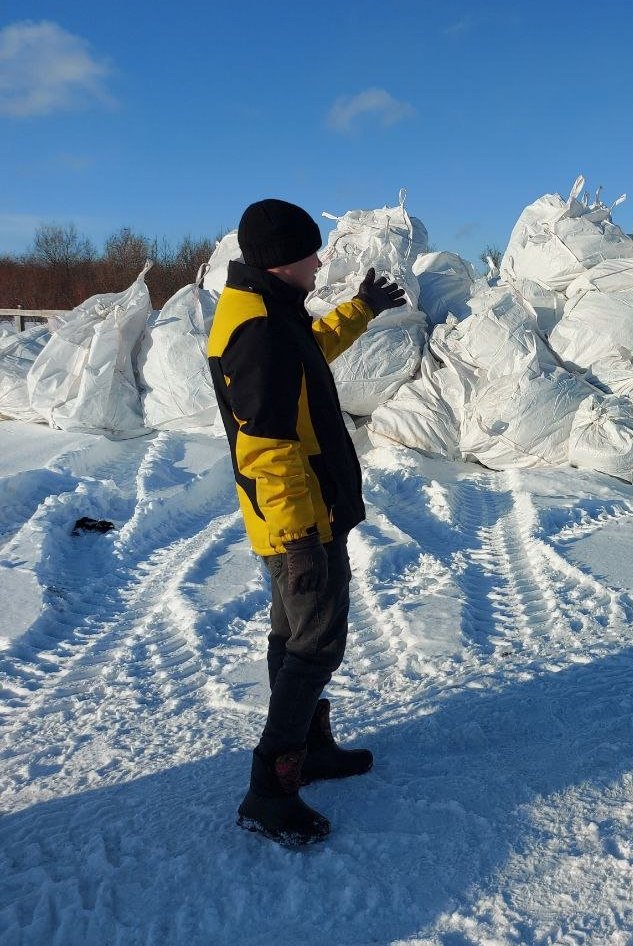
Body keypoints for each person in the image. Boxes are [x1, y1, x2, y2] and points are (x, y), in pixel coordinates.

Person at [207, 198, 405, 845]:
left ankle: (309, 748)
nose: (320, 263)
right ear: (281, 261)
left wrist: (362, 311)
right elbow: (266, 446)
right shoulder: (258, 328)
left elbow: (310, 351)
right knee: (316, 646)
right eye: (311, 254)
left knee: (292, 636)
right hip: (300, 520)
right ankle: (271, 787)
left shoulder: (265, 312)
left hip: (296, 515)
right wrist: (299, 541)